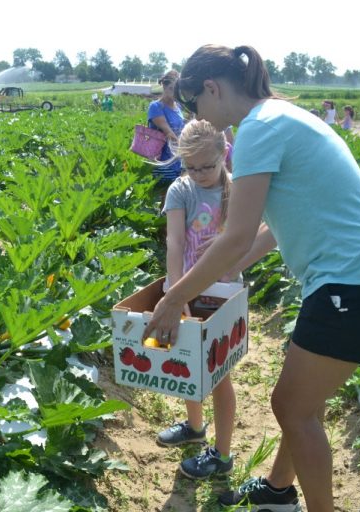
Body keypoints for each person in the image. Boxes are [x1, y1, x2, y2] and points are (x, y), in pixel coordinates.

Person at [144, 44, 360, 512]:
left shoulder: (257, 130)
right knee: (300, 403)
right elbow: (269, 229)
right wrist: (229, 265)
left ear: (212, 88)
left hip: (354, 283)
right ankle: (278, 491)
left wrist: (174, 299)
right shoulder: (282, 115)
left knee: (290, 407)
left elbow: (236, 235)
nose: (197, 115)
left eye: (194, 104)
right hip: (358, 279)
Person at [155, 120, 238, 480]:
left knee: (219, 372)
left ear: (224, 154)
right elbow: (174, 242)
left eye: (208, 165)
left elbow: (243, 241)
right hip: (187, 286)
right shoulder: (180, 190)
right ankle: (194, 427)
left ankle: (222, 452)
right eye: (192, 167)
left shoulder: (235, 189)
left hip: (222, 291)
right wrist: (177, 292)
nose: (200, 173)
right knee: (187, 360)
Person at [148, 70, 186, 198]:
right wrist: (188, 149)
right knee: (166, 198)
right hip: (163, 161)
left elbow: (181, 129)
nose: (175, 92)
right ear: (164, 86)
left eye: (178, 89)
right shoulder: (156, 107)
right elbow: (169, 132)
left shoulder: (178, 106)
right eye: (172, 88)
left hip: (176, 160)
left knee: (173, 199)